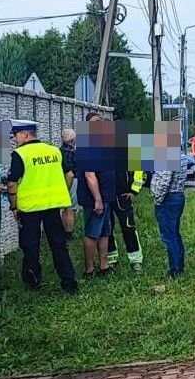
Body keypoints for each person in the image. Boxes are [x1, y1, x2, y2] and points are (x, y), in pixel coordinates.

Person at [7, 120, 77, 294]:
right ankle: (69, 282)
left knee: (30, 245)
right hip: (52, 205)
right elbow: (69, 174)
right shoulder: (54, 150)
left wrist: (14, 206)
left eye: (16, 136)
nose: (15, 140)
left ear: (25, 134)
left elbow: (12, 184)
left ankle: (33, 283)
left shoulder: (20, 154)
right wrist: (63, 192)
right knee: (58, 244)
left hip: (29, 208)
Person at [80, 112, 116, 278]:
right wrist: (98, 199)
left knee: (104, 232)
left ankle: (104, 265)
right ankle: (89, 269)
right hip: (95, 198)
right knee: (92, 233)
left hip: (106, 196)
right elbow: (89, 174)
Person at [151, 140, 188, 279]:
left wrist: (158, 199)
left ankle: (174, 270)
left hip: (168, 198)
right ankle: (179, 265)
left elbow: (165, 181)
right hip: (178, 195)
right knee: (175, 233)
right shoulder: (182, 156)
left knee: (168, 236)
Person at [108, 167, 146, 272]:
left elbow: (139, 170)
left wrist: (134, 191)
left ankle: (136, 260)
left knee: (129, 228)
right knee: (107, 229)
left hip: (123, 196)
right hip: (106, 196)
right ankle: (111, 259)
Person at [60, 126, 79, 237]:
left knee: (64, 208)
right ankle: (69, 232)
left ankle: (63, 229)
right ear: (73, 140)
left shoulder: (58, 151)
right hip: (73, 180)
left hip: (61, 180)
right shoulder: (75, 153)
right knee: (72, 208)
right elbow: (73, 172)